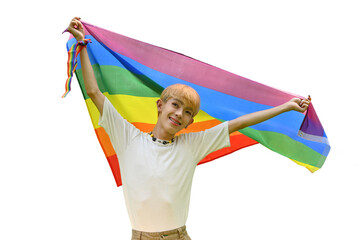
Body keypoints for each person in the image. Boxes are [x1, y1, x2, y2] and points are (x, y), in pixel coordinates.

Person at [66, 17, 311, 240]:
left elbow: (241, 122)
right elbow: (94, 92)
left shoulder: (192, 146)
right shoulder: (127, 137)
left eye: (187, 113)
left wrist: (284, 107)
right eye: (175, 105)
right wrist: (83, 45)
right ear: (160, 105)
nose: (179, 114)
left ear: (190, 122)